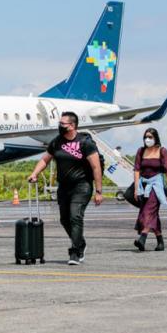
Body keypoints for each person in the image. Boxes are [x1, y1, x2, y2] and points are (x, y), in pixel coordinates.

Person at [28, 111, 103, 265]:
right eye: (60, 123)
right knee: (64, 219)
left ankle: (75, 252)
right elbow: (45, 160)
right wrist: (34, 173)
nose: (60, 126)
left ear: (72, 125)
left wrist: (98, 191)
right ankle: (80, 243)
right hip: (63, 187)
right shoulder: (57, 142)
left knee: (75, 216)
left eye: (63, 124)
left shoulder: (85, 143)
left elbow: (96, 167)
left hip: (82, 185)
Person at [133, 128, 167, 252]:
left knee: (148, 210)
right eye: (146, 137)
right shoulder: (141, 151)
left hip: (156, 185)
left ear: (156, 138)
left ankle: (142, 238)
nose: (147, 139)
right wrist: (136, 188)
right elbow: (136, 170)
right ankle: (160, 241)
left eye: (150, 137)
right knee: (152, 213)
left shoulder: (162, 151)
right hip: (143, 185)